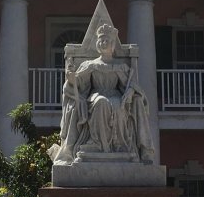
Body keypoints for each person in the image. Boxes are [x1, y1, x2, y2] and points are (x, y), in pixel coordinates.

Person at [56, 23, 154, 165]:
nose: (103, 43)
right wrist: (72, 78)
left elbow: (130, 84)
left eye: (106, 40)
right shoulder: (90, 65)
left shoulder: (120, 66)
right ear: (97, 44)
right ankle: (96, 143)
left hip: (115, 95)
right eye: (101, 40)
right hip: (96, 95)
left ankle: (120, 145)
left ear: (112, 44)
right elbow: (79, 83)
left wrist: (130, 92)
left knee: (117, 105)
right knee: (101, 102)